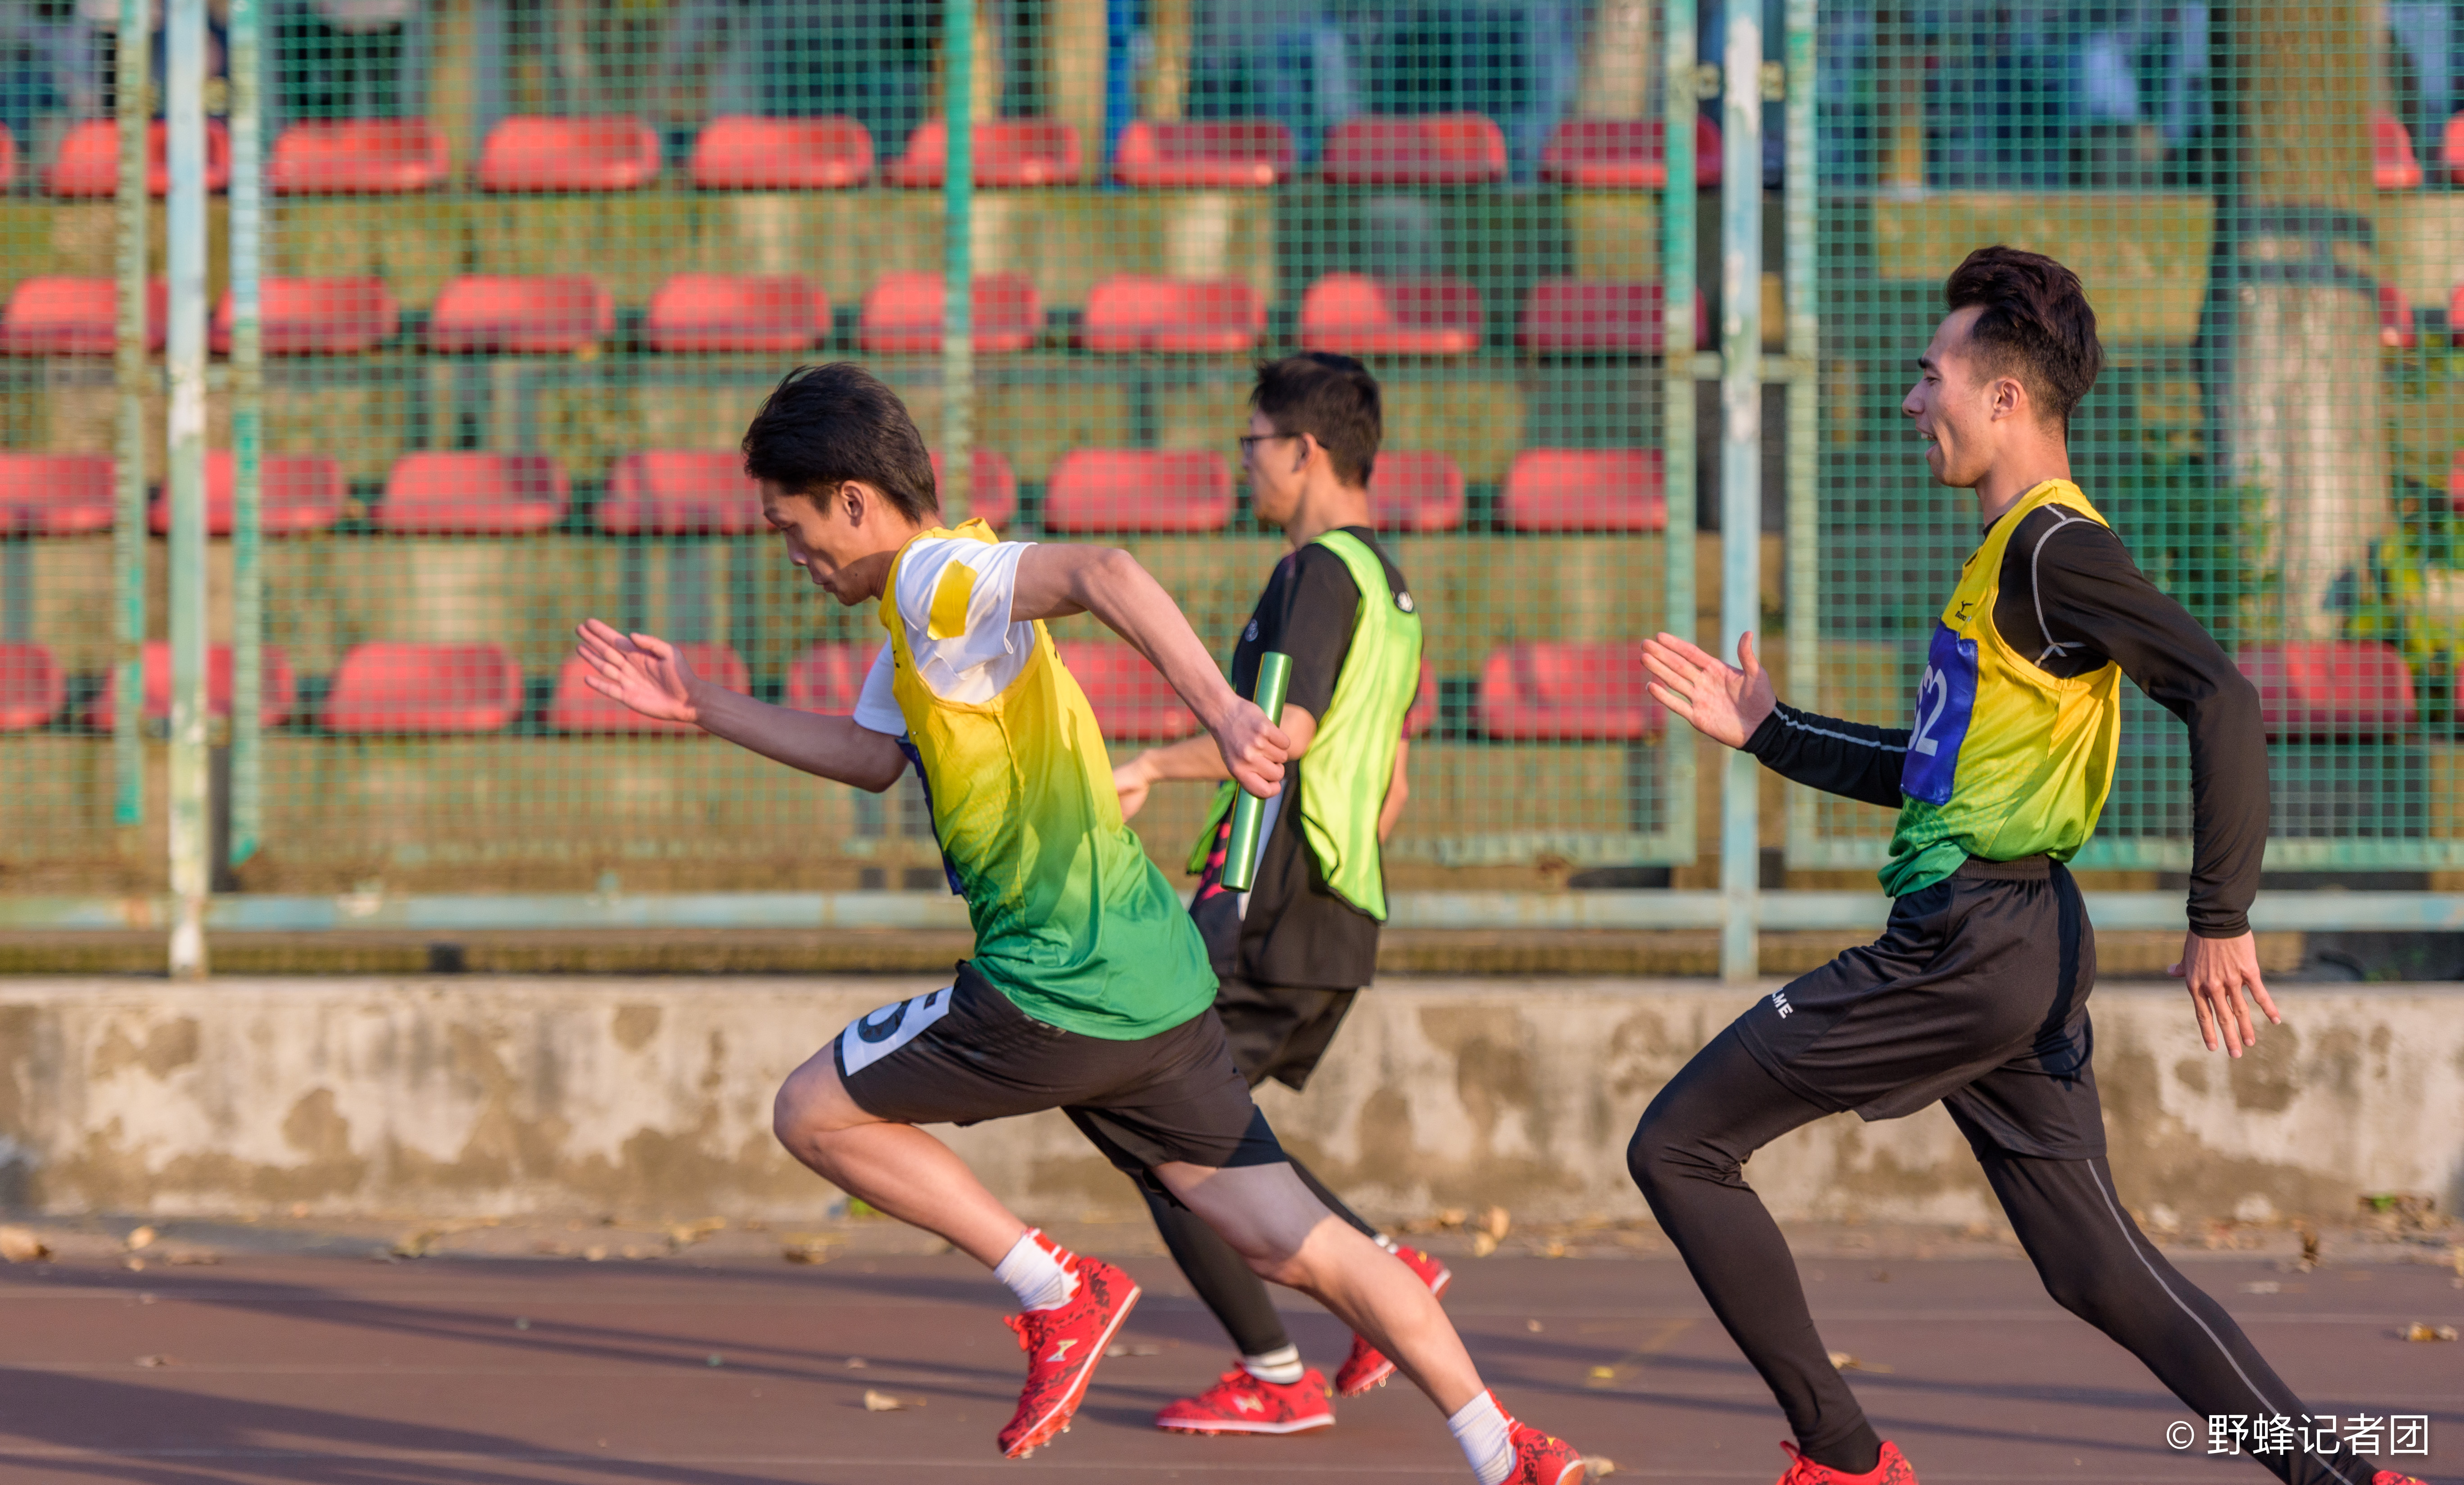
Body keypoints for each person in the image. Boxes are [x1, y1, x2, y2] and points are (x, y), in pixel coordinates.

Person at [573, 362, 1584, 1485]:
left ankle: (1060, 1290)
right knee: (1300, 1243)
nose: (793, 556)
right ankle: (1506, 1446)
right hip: (1156, 984)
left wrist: (1225, 710)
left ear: (853, 500)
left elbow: (1106, 571)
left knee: (812, 1111)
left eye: (791, 527)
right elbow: (869, 758)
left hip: (1056, 981)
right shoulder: (922, 608)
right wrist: (701, 704)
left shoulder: (937, 578)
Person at [1629, 247, 2432, 1485]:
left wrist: (2221, 914)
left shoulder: (2055, 548)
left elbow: (2221, 694)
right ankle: (2345, 1477)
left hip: (1972, 943)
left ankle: (1846, 1458)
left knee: (1679, 1144)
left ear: (2004, 396)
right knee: (2096, 1268)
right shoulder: (2013, 553)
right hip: (2015, 942)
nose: (1913, 401)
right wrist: (1772, 730)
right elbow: (1936, 774)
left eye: (1930, 376)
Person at [1110, 352, 1440, 1436]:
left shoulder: (1316, 575)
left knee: (1165, 1138)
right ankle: (1385, 1271)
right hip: (1336, 904)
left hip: (1272, 899)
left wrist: (1148, 767)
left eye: (1252, 442)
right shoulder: (1391, 589)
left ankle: (1278, 1369)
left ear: (1304, 451)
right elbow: (1390, 789)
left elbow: (1279, 737)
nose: (1242, 463)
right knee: (1216, 1134)